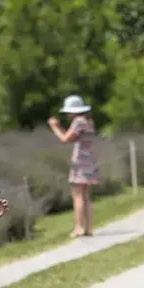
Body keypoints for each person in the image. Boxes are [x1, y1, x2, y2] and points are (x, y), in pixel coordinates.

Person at [49, 95, 99, 237]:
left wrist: (54, 127)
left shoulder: (78, 121)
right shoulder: (89, 122)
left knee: (77, 195)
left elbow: (65, 139)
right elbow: (74, 137)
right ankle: (89, 228)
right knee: (86, 195)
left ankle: (79, 227)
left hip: (80, 162)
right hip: (90, 160)